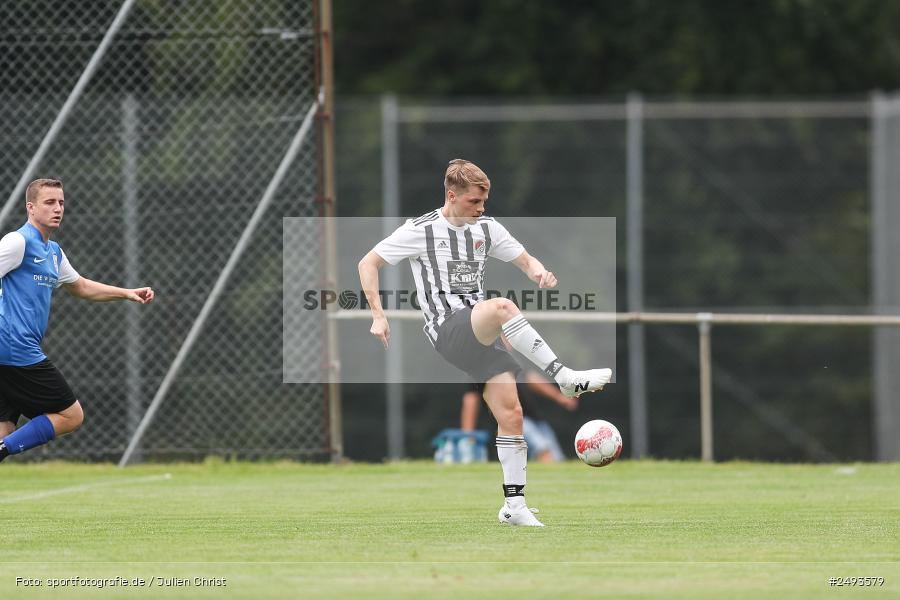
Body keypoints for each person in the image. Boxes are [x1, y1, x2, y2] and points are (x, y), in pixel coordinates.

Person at [358, 159, 611, 527]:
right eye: (475, 202)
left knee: (512, 415)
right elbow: (368, 263)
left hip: (478, 332)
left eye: (484, 201)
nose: (482, 208)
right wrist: (378, 315)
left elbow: (524, 260)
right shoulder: (420, 230)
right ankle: (564, 377)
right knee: (503, 307)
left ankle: (514, 506)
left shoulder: (487, 229)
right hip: (446, 329)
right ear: (452, 196)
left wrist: (538, 271)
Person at [0, 178, 154, 462]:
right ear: (30, 208)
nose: (57, 208)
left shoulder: (53, 252)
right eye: (49, 202)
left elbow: (80, 286)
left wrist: (127, 293)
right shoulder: (17, 242)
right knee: (70, 416)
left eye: (61, 203)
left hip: (10, 353)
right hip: (16, 350)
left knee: (5, 428)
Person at [461, 368, 576, 463]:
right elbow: (471, 400)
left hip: (534, 418)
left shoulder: (507, 361)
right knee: (543, 450)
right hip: (512, 420)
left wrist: (559, 397)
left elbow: (530, 378)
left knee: (557, 458)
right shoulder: (481, 368)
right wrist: (468, 435)